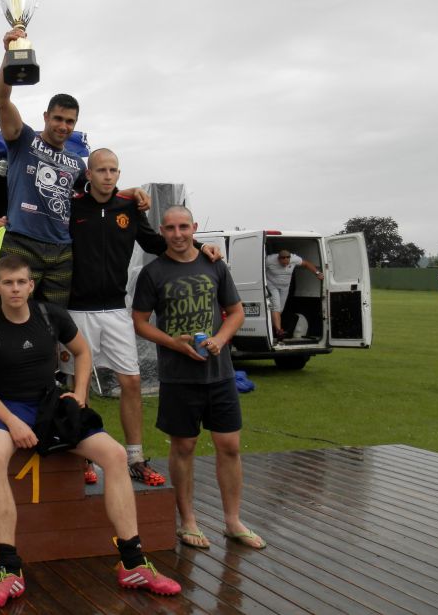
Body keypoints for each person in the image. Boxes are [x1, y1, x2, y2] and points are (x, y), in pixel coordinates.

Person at [0, 254, 181, 608]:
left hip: (49, 405)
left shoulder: (51, 315)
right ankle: (8, 569)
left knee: (115, 455)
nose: (15, 289)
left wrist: (80, 394)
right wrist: (13, 422)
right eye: (8, 283)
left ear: (31, 285)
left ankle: (133, 563)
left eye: (21, 282)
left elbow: (83, 353)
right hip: (5, 408)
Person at [68, 148, 222, 486]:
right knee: (79, 385)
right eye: (101, 170)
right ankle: (82, 457)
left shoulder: (129, 208)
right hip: (77, 310)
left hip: (116, 309)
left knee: (132, 382)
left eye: (113, 170)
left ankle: (135, 457)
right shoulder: (72, 206)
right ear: (89, 174)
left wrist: (201, 247)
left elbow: (156, 243)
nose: (108, 176)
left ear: (119, 174)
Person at [132, 206, 265, 551]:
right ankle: (187, 521)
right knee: (184, 446)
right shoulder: (153, 272)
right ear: (162, 231)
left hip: (219, 373)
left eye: (183, 227)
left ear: (193, 228)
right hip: (178, 376)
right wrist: (171, 343)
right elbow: (140, 322)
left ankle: (233, 522)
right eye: (170, 228)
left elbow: (235, 312)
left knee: (229, 445)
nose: (177, 234)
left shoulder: (214, 264)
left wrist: (220, 339)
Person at [0, 28, 151, 305]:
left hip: (62, 250)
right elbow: (1, 102)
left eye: (70, 121)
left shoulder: (77, 163)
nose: (63, 126)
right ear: (46, 116)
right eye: (58, 118)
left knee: (56, 320)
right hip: (22, 242)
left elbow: (98, 195)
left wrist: (132, 191)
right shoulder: (24, 140)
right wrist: (9, 56)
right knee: (11, 315)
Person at [265, 249, 324, 339]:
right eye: (283, 264)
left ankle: (271, 326)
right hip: (272, 285)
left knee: (280, 309)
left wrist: (317, 273)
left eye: (287, 263)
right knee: (276, 307)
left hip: (285, 287)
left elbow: (306, 264)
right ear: (278, 259)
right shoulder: (269, 260)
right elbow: (257, 266)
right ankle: (278, 330)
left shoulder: (294, 259)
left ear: (290, 259)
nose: (285, 265)